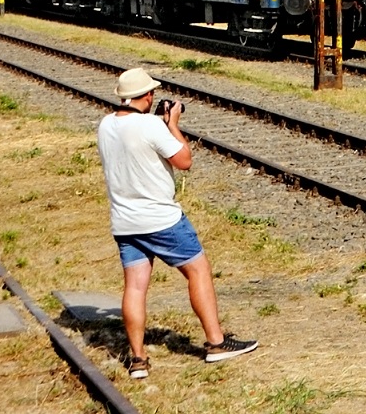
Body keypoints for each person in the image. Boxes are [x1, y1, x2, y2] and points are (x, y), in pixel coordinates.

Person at [98, 67, 256, 379]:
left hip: (125, 222)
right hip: (161, 219)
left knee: (135, 286)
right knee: (197, 270)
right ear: (147, 96)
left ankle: (138, 359)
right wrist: (173, 125)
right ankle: (216, 343)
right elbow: (184, 160)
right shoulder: (149, 126)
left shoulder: (105, 125)